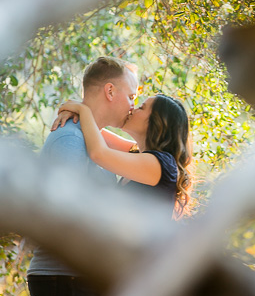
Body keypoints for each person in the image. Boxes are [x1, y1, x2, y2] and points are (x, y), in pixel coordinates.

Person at [26, 56, 138, 296]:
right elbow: (65, 213)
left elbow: (146, 151)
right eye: (131, 96)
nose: (132, 106)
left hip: (78, 276)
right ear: (110, 92)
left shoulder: (92, 140)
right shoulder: (70, 139)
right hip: (62, 277)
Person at [54, 92, 194, 220]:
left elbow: (99, 154)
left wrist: (83, 110)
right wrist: (75, 113)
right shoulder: (139, 153)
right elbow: (96, 132)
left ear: (157, 122)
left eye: (141, 107)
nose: (133, 109)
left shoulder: (161, 164)